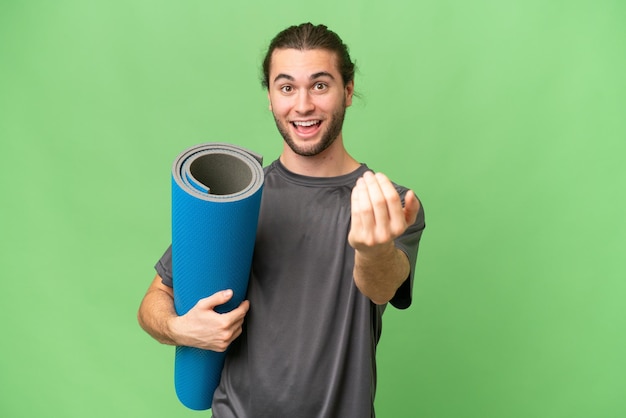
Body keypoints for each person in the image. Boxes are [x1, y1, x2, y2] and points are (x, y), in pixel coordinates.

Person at [138, 22, 426, 418]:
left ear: (348, 90)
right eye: (287, 87)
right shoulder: (240, 196)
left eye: (320, 85)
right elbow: (155, 299)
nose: (303, 105)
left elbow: (382, 287)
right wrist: (179, 329)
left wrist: (373, 250)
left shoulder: (386, 204)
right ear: (271, 97)